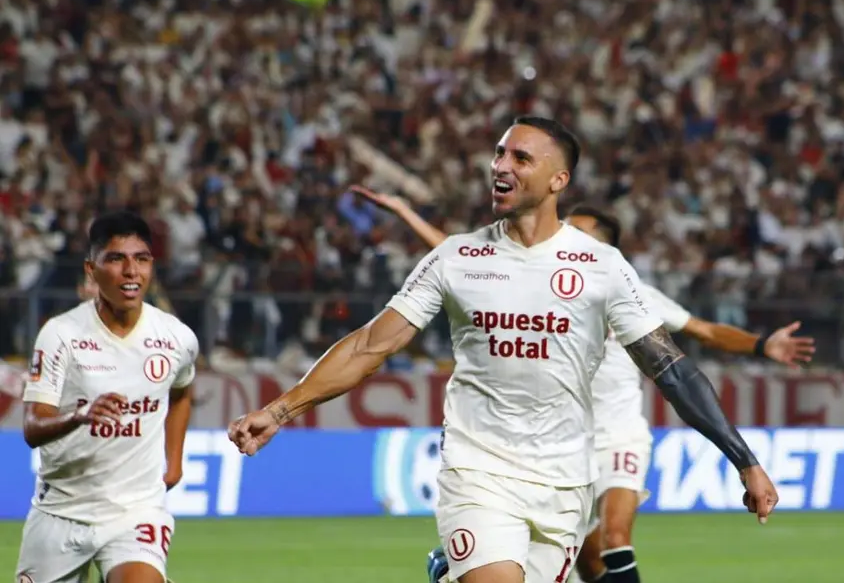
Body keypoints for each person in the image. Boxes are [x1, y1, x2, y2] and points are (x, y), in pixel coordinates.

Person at [228, 116, 778, 583]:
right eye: (498, 153)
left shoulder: (601, 267)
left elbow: (672, 371)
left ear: (558, 179)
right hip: (478, 469)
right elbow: (372, 343)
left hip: (565, 483)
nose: (501, 166)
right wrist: (281, 409)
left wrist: (744, 461)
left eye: (521, 157)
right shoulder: (456, 258)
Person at [349, 188, 814, 583]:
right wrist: (409, 215)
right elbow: (463, 261)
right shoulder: (526, 280)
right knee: (588, 567)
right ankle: (454, 566)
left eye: (579, 232)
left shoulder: (628, 290)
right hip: (565, 446)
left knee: (615, 540)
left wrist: (760, 346)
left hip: (620, 436)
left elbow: (705, 333)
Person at [16, 211, 199, 583]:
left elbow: (181, 393)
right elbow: (33, 427)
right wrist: (79, 416)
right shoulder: (61, 335)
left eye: (141, 259)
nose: (131, 271)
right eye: (116, 259)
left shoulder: (176, 337)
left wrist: (174, 461)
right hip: (63, 512)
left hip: (135, 511)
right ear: (91, 269)